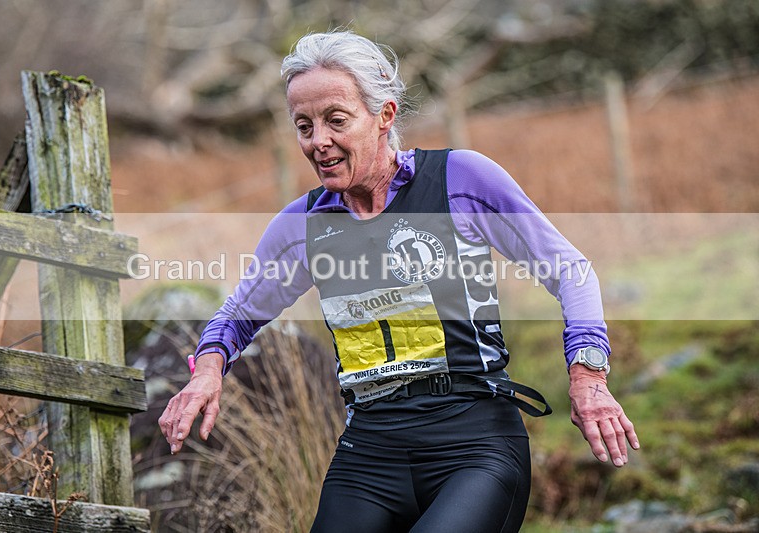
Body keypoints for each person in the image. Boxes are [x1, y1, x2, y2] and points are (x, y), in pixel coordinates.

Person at [159, 30, 639, 532]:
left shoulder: (460, 181)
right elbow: (236, 317)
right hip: (369, 454)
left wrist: (589, 378)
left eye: (335, 120)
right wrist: (207, 371)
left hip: (473, 445)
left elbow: (570, 269)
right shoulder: (301, 227)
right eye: (304, 125)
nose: (317, 140)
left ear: (385, 115)